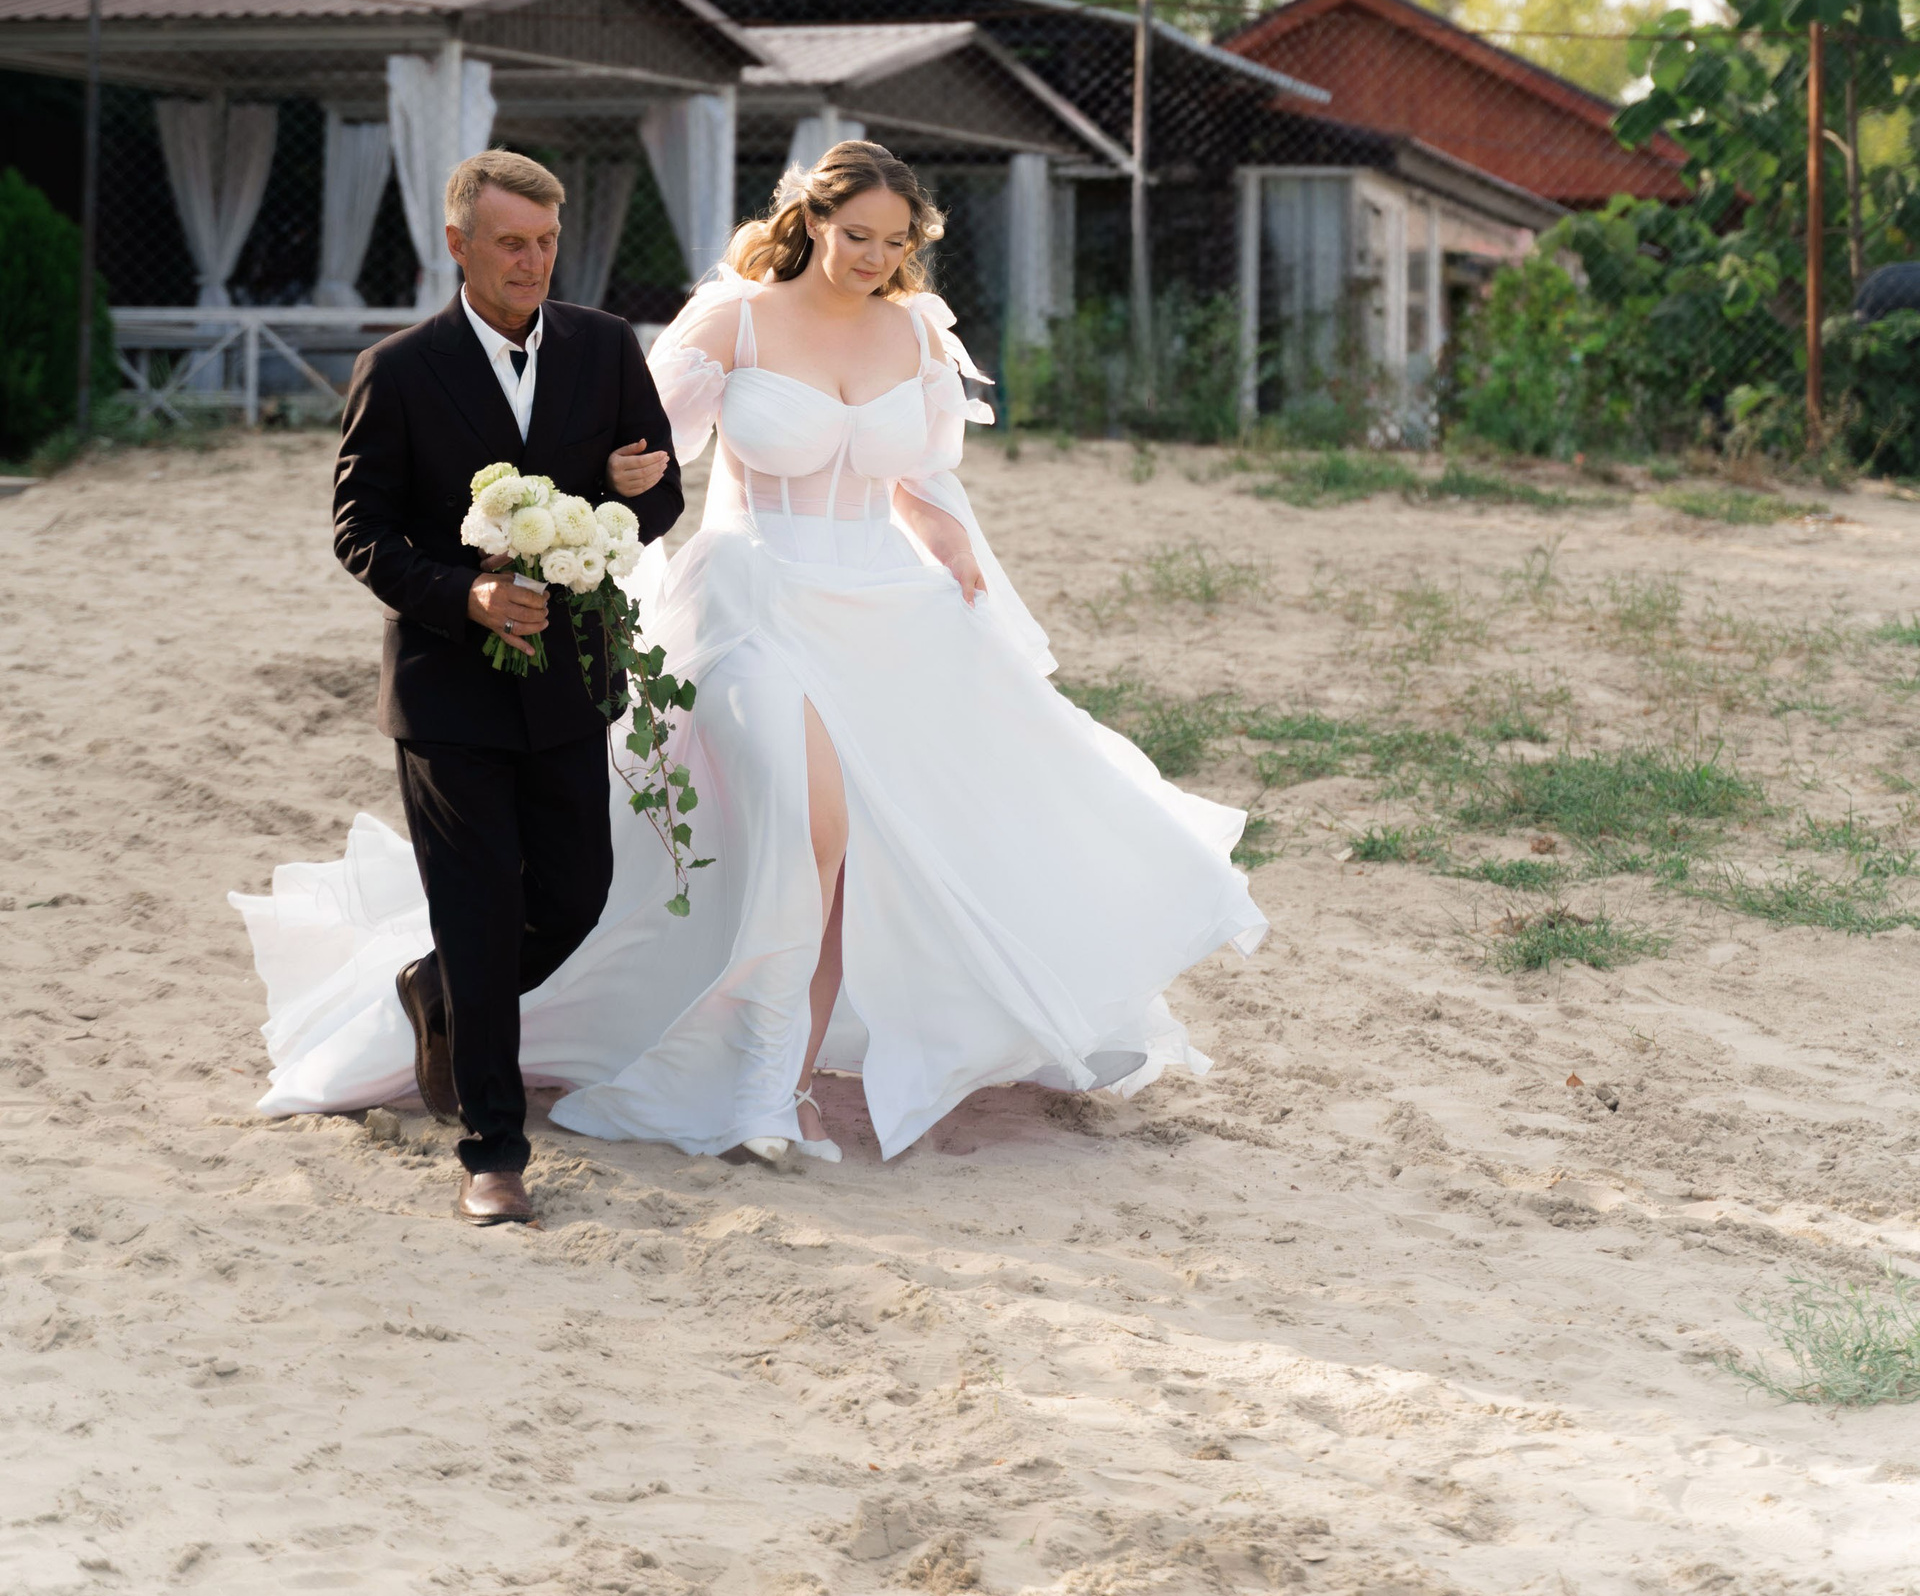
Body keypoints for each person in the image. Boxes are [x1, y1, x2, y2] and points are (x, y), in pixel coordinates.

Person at [234, 140, 1264, 1176]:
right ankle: (723, 1073)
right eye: (856, 235)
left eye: (894, 241)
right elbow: (626, 449)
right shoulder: (734, 320)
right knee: (813, 829)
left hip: (886, 610)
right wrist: (593, 497)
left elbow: (916, 477)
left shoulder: (916, 332)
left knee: (868, 854)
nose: (874, 257)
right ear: (812, 221)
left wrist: (953, 548)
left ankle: (788, 1085)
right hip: (756, 599)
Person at [247, 149, 683, 1226]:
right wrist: (467, 596)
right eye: (510, 244)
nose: (533, 263)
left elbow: (657, 502)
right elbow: (361, 532)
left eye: (546, 243)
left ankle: (437, 987)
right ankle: (493, 1151)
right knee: (482, 912)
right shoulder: (397, 369)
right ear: (458, 244)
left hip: (571, 681)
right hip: (446, 690)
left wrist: (639, 488)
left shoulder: (606, 347)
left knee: (574, 899)